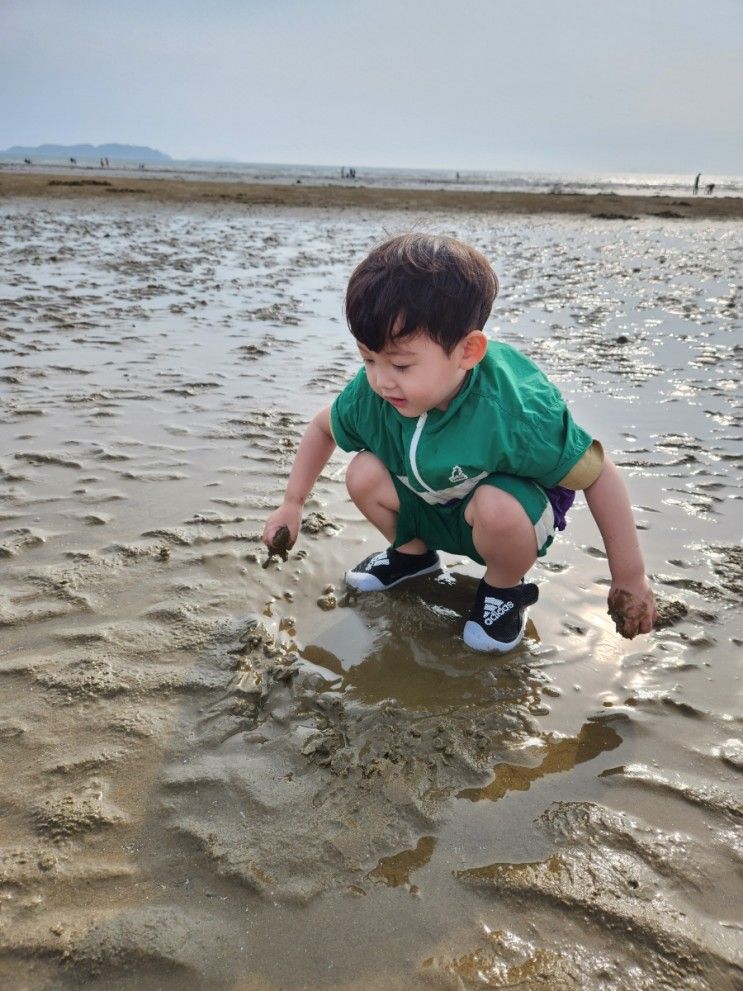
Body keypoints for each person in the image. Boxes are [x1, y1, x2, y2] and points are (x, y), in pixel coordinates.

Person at [262, 234, 658, 652]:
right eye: (368, 358)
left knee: (497, 507)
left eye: (400, 363)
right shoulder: (373, 394)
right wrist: (293, 503)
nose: (381, 379)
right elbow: (323, 428)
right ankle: (412, 556)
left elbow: (597, 475)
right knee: (362, 471)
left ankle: (503, 592)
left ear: (468, 352)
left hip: (507, 518)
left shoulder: (513, 412)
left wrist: (629, 577)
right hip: (429, 503)